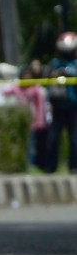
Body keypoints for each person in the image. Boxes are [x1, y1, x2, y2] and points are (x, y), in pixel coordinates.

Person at [45, 31, 77, 173]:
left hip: (74, 106)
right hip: (58, 106)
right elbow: (47, 76)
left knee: (75, 139)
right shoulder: (55, 63)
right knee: (53, 138)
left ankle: (74, 166)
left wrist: (69, 73)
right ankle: (50, 167)